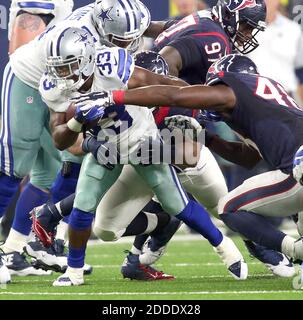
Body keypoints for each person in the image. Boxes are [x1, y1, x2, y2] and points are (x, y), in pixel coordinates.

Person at [89, 53, 303, 264]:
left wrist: (113, 97)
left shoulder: (231, 89)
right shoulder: (266, 99)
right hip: (295, 163)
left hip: (296, 167)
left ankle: (293, 250)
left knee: (229, 208)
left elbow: (174, 96)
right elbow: (248, 158)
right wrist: (208, 138)